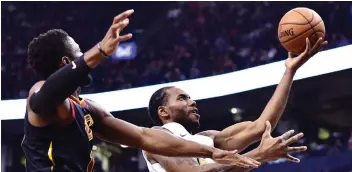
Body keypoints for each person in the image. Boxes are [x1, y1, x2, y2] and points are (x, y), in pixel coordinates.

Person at [21, 9, 260, 172]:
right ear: (66, 62)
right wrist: (99, 51)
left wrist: (210, 152)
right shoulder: (41, 94)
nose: (84, 55)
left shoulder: (86, 108)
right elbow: (43, 101)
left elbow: (145, 137)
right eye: (79, 52)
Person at [143, 37, 328, 171]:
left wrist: (290, 71)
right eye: (182, 98)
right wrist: (259, 154)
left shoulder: (208, 139)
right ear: (163, 112)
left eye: (190, 97)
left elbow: (260, 127)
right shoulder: (155, 137)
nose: (192, 102)